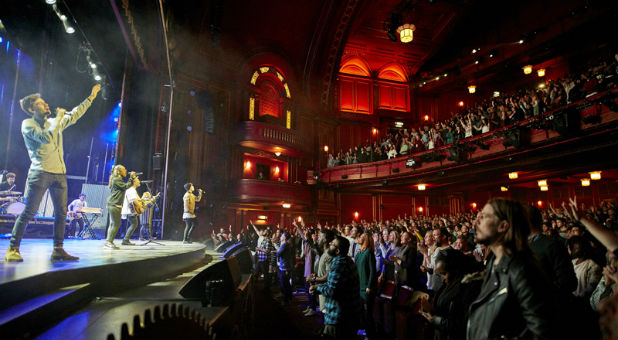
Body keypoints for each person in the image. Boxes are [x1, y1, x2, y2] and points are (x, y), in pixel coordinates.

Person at [4, 84, 101, 262]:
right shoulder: (28, 124)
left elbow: (76, 114)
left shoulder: (53, 122)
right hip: (40, 173)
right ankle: (13, 249)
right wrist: (58, 119)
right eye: (41, 104)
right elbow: (45, 137)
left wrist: (91, 97)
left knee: (62, 213)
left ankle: (58, 249)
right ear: (32, 109)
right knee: (29, 211)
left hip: (59, 174)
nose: (46, 105)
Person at [467, 198, 555, 340]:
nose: (476, 221)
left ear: (503, 226)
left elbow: (542, 331)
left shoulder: (521, 270)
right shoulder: (494, 263)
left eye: (484, 217)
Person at [310, 235, 361, 340]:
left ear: (337, 251)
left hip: (338, 317)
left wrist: (317, 288)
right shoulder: (347, 260)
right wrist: (319, 286)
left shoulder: (339, 264)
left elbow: (332, 290)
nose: (329, 244)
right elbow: (335, 285)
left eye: (332, 244)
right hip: (348, 315)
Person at [104, 164, 136, 249]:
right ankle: (109, 242)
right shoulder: (117, 180)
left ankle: (108, 241)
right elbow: (126, 186)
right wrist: (131, 178)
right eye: (124, 170)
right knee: (116, 224)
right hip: (114, 204)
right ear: (119, 171)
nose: (126, 171)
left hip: (113, 203)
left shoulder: (117, 180)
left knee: (112, 224)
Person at [355, 232, 377, 340]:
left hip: (367, 288)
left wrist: (369, 286)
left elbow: (373, 271)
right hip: (359, 286)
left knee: (368, 313)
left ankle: (370, 334)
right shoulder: (359, 253)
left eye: (361, 236)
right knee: (361, 311)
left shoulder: (369, 252)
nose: (359, 237)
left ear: (365, 239)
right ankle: (364, 329)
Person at [120, 177, 141, 245]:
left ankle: (126, 239)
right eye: (138, 180)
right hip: (130, 210)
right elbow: (134, 200)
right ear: (134, 182)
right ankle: (125, 240)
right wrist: (140, 206)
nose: (139, 181)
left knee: (134, 224)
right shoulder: (131, 190)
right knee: (134, 224)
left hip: (130, 210)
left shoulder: (132, 190)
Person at [277, 231, 295, 305]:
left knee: (285, 284)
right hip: (285, 266)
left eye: (282, 236)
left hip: (285, 267)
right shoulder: (286, 244)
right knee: (286, 283)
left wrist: (277, 251)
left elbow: (278, 253)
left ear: (284, 237)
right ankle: (289, 298)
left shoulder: (285, 245)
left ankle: (286, 300)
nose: (280, 236)